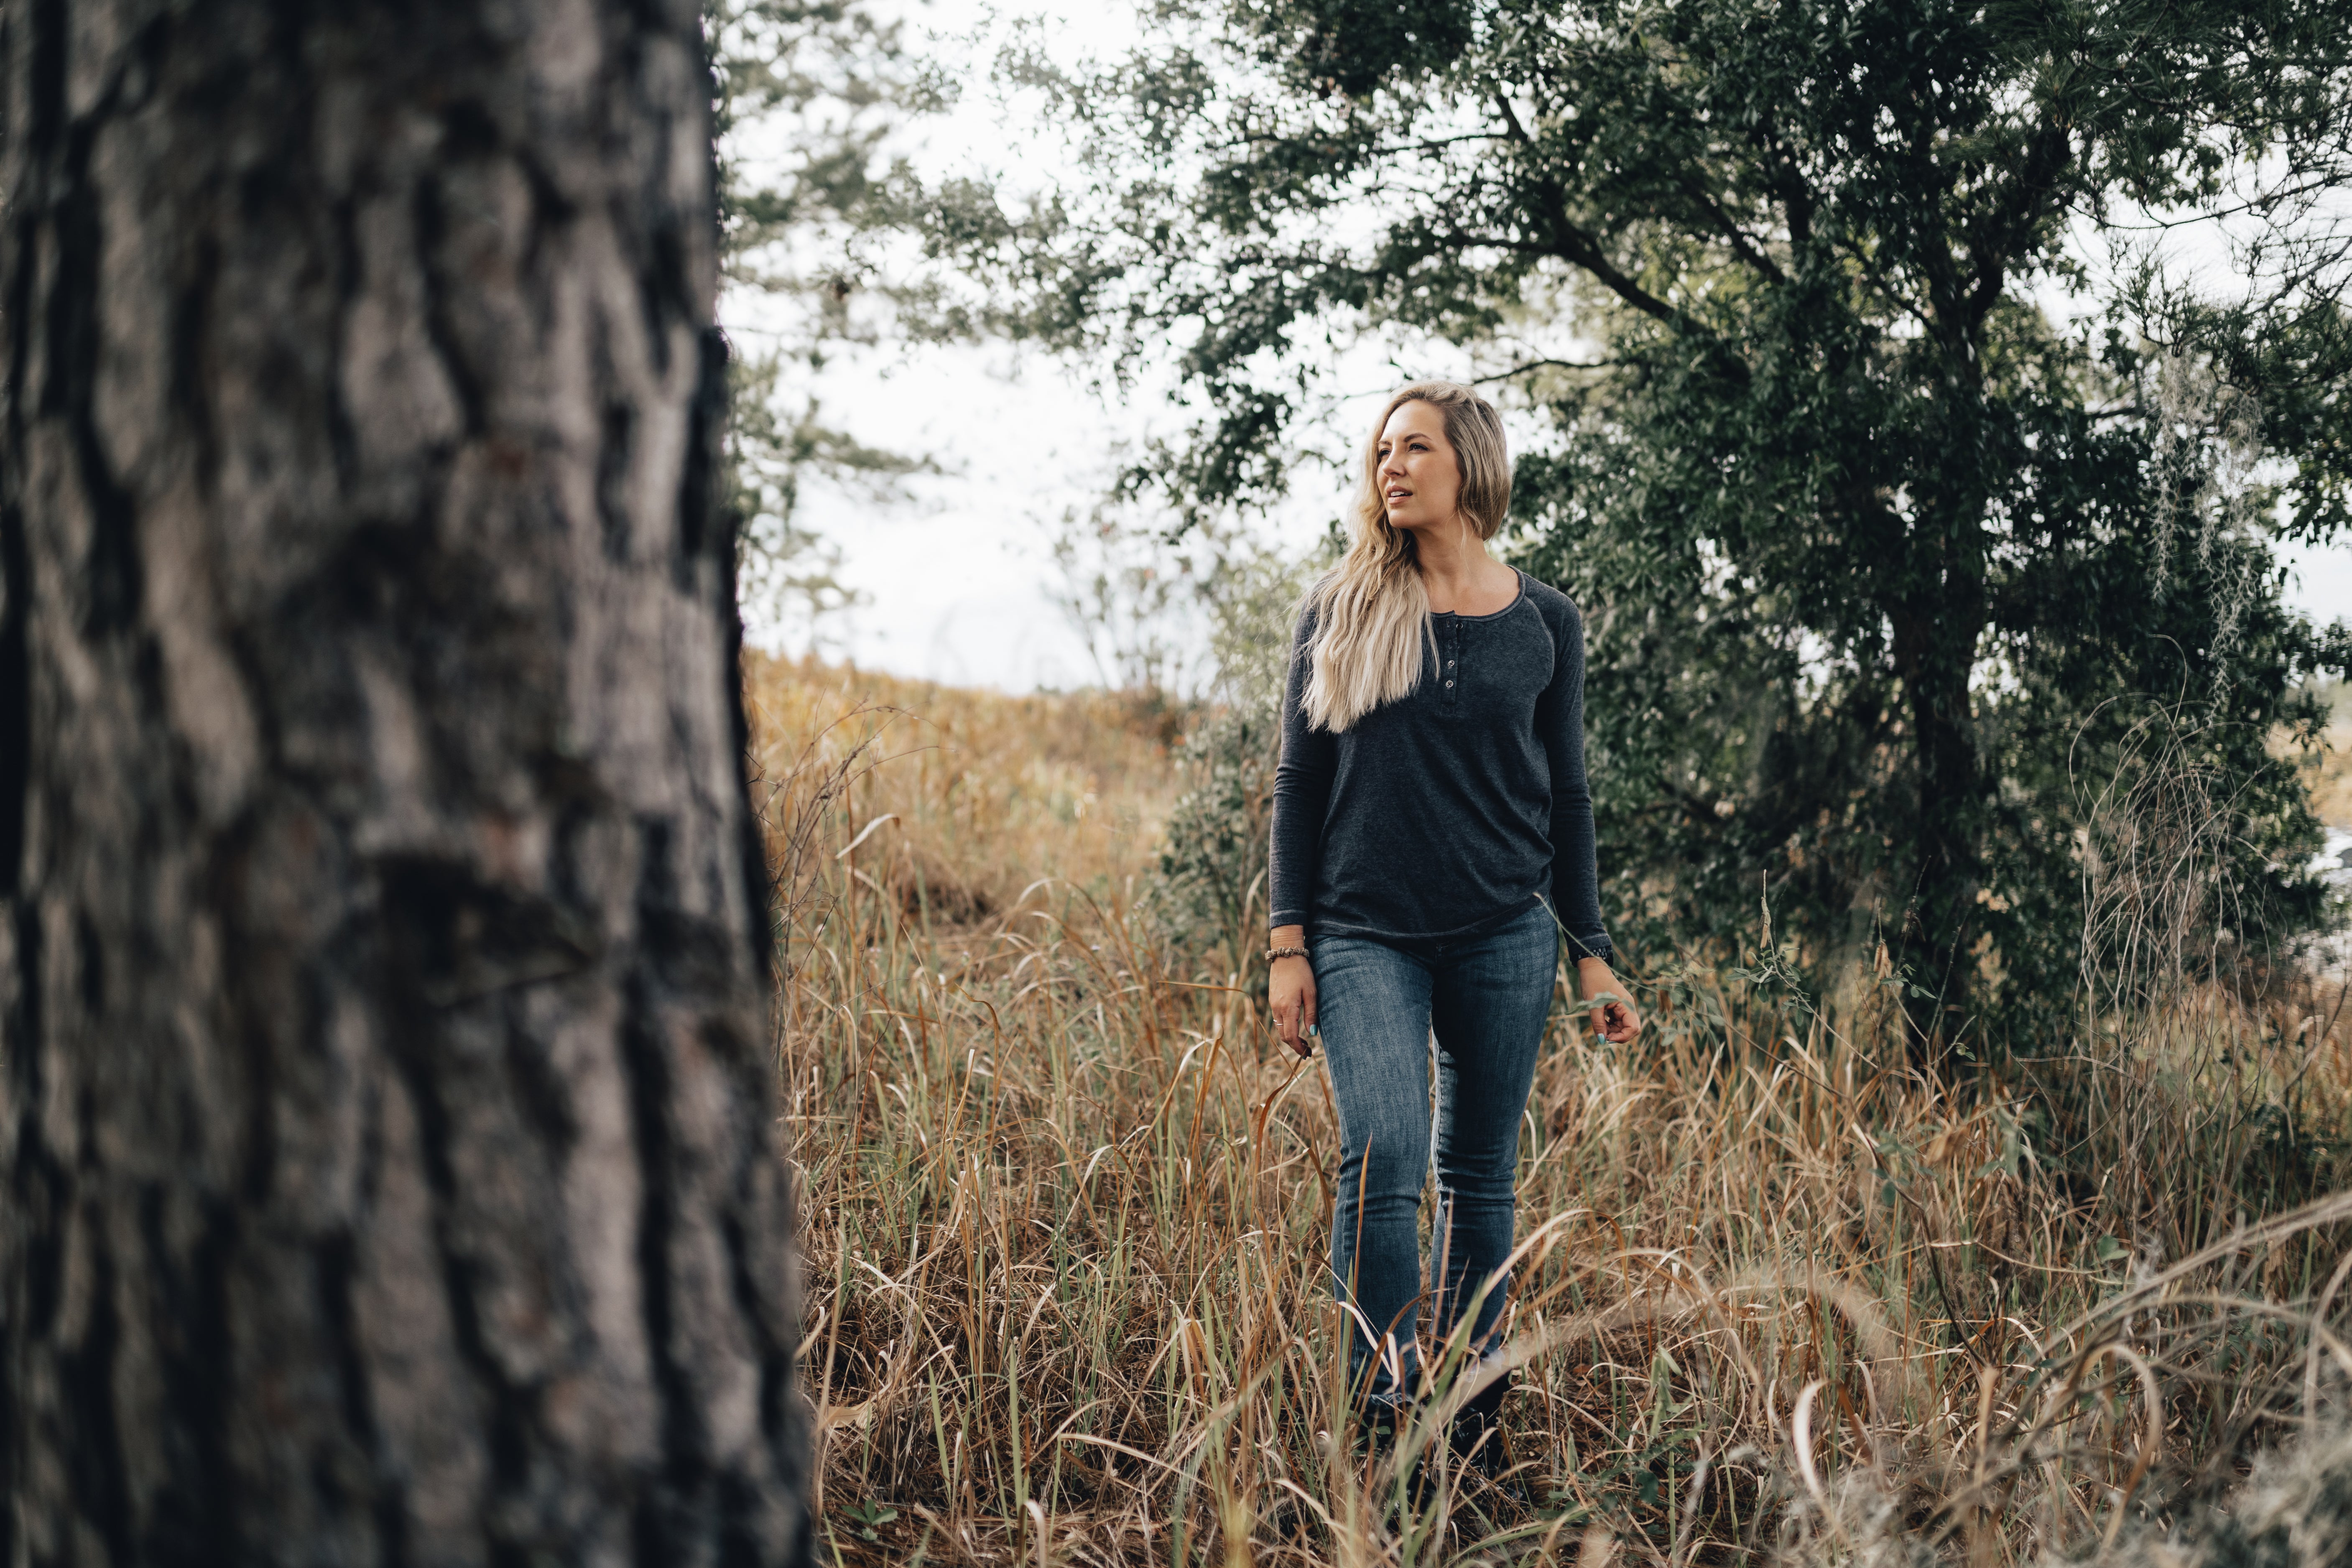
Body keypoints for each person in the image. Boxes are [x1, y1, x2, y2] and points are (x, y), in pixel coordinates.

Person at [1265, 380, 1641, 1463]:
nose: (1390, 466)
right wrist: (1288, 944)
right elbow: (1298, 786)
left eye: (1413, 447)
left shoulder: (1543, 620)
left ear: (1468, 465)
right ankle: (1379, 1421)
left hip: (1503, 936)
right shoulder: (1341, 607)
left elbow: (1565, 796)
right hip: (1359, 932)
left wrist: (1591, 955)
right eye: (1382, 450)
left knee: (1479, 1176)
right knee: (1383, 1156)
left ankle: (1468, 1414)